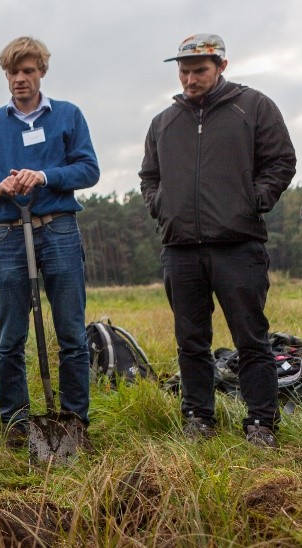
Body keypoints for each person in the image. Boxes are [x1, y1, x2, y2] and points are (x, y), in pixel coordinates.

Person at [140, 34, 296, 447]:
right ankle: (198, 416)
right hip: (180, 250)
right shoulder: (162, 123)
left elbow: (282, 160)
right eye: (184, 71)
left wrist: (253, 201)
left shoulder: (254, 107)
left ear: (222, 66)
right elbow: (148, 177)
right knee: (191, 340)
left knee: (251, 338)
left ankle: (262, 422)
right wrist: (161, 206)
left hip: (238, 246)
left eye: (200, 71)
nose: (190, 79)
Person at [0, 36, 99, 446]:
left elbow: (89, 170)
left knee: (72, 332)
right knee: (10, 337)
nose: (20, 79)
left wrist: (44, 176)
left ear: (41, 72)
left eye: (28, 71)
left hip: (58, 229)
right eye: (12, 72)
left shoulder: (68, 115)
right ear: (5, 75)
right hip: (8, 234)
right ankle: (16, 424)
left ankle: (75, 420)